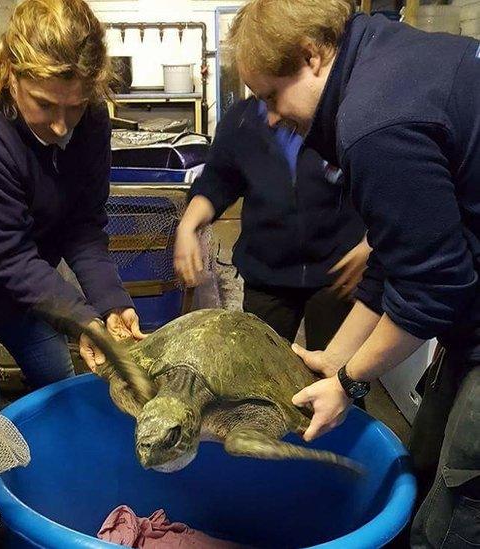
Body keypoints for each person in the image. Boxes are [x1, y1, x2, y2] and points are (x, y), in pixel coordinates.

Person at [228, 1, 480, 547]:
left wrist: (348, 382)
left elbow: (434, 286)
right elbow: (397, 254)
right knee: (426, 462)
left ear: (313, 55)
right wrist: (335, 358)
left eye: (271, 95)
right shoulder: (381, 53)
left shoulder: (376, 121)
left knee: (458, 512)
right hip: (467, 324)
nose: (269, 116)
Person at [0, 0, 144, 412]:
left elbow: (83, 224)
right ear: (12, 74)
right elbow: (5, 254)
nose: (62, 125)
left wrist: (111, 302)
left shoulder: (92, 120)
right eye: (44, 104)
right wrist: (81, 318)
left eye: (75, 105)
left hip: (22, 278)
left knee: (61, 380)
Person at [175, 96, 369, 348]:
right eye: (262, 98)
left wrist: (371, 242)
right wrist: (188, 225)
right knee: (258, 371)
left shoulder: (348, 116)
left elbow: (385, 185)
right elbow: (217, 181)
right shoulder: (241, 120)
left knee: (334, 375)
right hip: (267, 275)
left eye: (274, 97)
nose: (270, 117)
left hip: (339, 275)